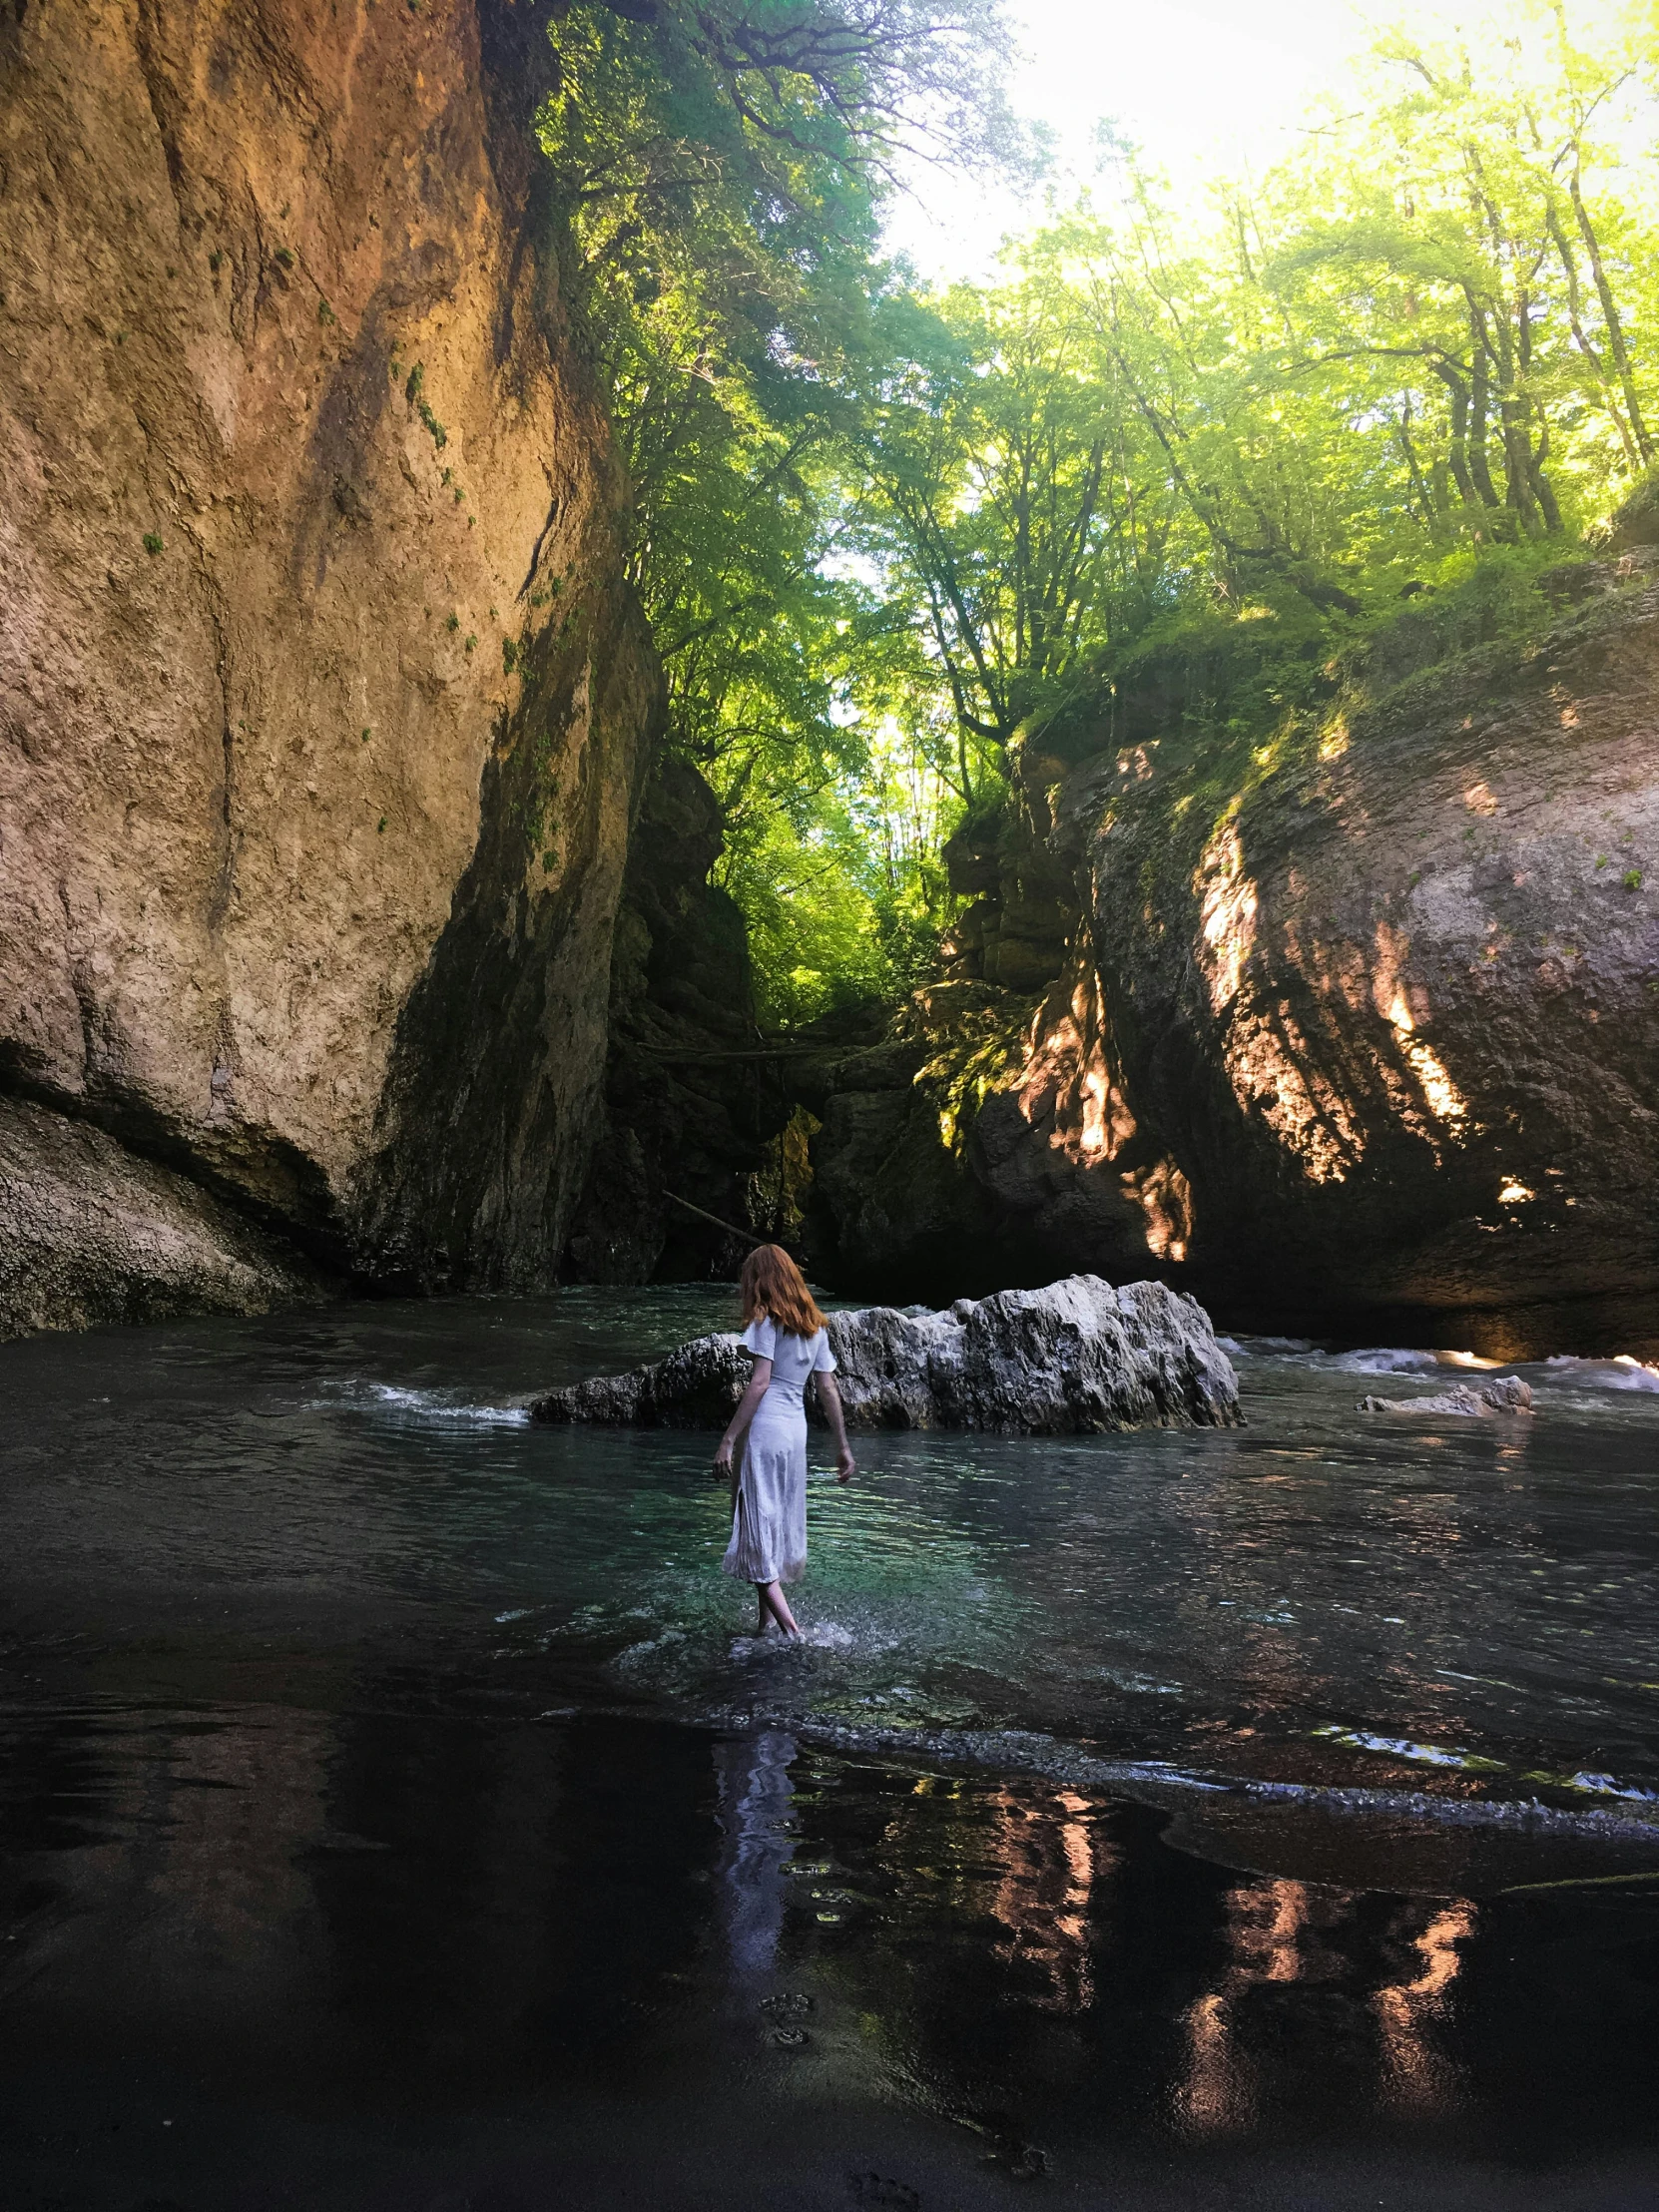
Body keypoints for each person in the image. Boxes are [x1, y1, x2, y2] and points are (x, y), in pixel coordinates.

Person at [714, 1245, 855, 1640]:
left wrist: (727, 1440)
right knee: (771, 1526)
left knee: (754, 1530)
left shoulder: (766, 1322)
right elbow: (828, 1389)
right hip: (795, 1435)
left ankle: (793, 1632)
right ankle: (765, 1626)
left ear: (760, 1280)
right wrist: (842, 1447)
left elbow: (760, 1383)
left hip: (765, 1430)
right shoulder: (816, 1326)